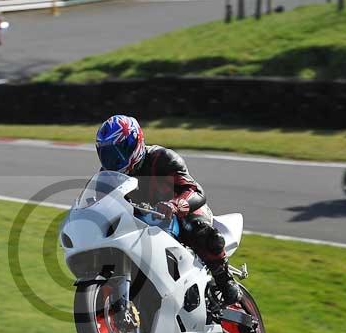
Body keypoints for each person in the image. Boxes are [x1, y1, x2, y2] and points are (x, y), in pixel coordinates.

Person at [95, 115, 242, 305]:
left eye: (120, 152)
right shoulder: (106, 177)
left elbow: (195, 191)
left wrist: (175, 205)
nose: (115, 160)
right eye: (108, 155)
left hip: (179, 214)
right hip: (141, 225)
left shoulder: (162, 158)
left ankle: (224, 279)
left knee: (196, 227)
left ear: (136, 142)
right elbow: (100, 204)